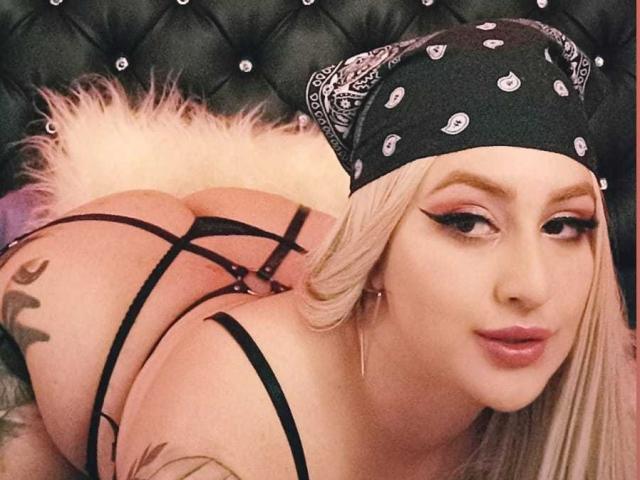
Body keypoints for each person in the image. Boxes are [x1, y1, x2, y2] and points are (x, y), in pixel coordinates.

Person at [0, 18, 635, 479]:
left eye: (564, 225)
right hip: (90, 276)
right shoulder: (222, 431)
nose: (532, 286)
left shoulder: (595, 387)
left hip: (266, 241)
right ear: (374, 251)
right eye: (468, 221)